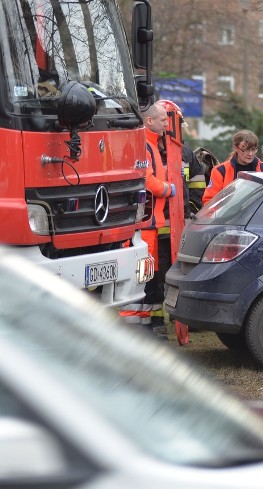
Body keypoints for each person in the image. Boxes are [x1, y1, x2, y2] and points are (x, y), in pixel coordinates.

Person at [119, 101, 178, 340]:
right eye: (163, 119)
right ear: (149, 121)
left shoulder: (151, 145)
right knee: (138, 275)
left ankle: (142, 324)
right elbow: (147, 180)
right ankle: (134, 326)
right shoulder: (143, 145)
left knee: (146, 276)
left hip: (150, 223)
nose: (167, 124)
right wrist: (169, 189)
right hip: (143, 224)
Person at [202, 130, 263, 205]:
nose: (250, 154)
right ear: (236, 148)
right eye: (245, 150)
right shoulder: (220, 171)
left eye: (253, 149)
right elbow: (208, 202)